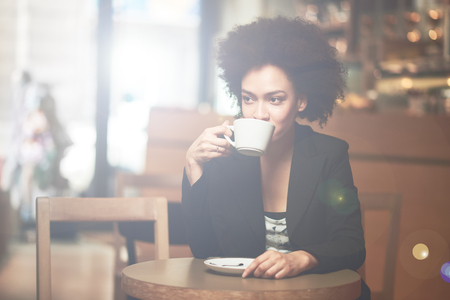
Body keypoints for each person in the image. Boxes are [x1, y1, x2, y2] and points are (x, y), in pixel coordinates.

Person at [182, 16, 370, 299]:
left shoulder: (329, 155)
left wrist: (303, 258)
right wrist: (194, 167)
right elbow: (204, 250)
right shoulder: (224, 157)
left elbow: (352, 245)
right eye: (248, 98)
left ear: (301, 101)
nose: (259, 113)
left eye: (275, 99)